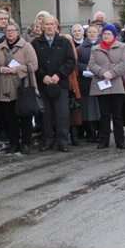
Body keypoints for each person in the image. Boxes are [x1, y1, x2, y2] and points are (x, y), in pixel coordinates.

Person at [31, 15, 76, 152]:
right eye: (47, 24)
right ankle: (47, 140)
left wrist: (58, 75)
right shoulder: (36, 43)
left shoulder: (64, 42)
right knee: (45, 114)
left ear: (57, 26)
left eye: (52, 24)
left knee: (62, 113)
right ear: (42, 26)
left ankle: (62, 141)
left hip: (60, 83)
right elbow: (34, 63)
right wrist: (43, 76)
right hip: (43, 83)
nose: (49, 27)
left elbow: (70, 62)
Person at [0, 21, 38, 154]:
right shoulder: (0, 48)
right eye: (8, 31)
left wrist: (17, 69)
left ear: (18, 32)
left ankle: (26, 143)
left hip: (22, 85)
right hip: (5, 87)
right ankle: (14, 143)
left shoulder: (26, 47)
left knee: (25, 117)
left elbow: (33, 65)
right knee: (10, 118)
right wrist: (1, 69)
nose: (10, 33)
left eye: (13, 30)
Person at [88, 24, 125, 149]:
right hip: (101, 85)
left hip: (116, 84)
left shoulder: (122, 46)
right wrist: (102, 72)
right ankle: (104, 140)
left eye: (109, 34)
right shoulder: (95, 48)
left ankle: (120, 140)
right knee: (104, 114)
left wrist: (112, 73)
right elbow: (92, 64)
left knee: (117, 114)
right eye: (104, 33)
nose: (106, 36)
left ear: (114, 35)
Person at [77, 24, 101, 142]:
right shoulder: (81, 48)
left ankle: (101, 132)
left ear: (98, 33)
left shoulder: (103, 46)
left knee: (101, 108)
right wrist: (85, 68)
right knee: (89, 109)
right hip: (87, 82)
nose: (92, 34)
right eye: (89, 32)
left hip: (101, 81)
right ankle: (91, 133)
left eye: (94, 32)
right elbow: (76, 63)